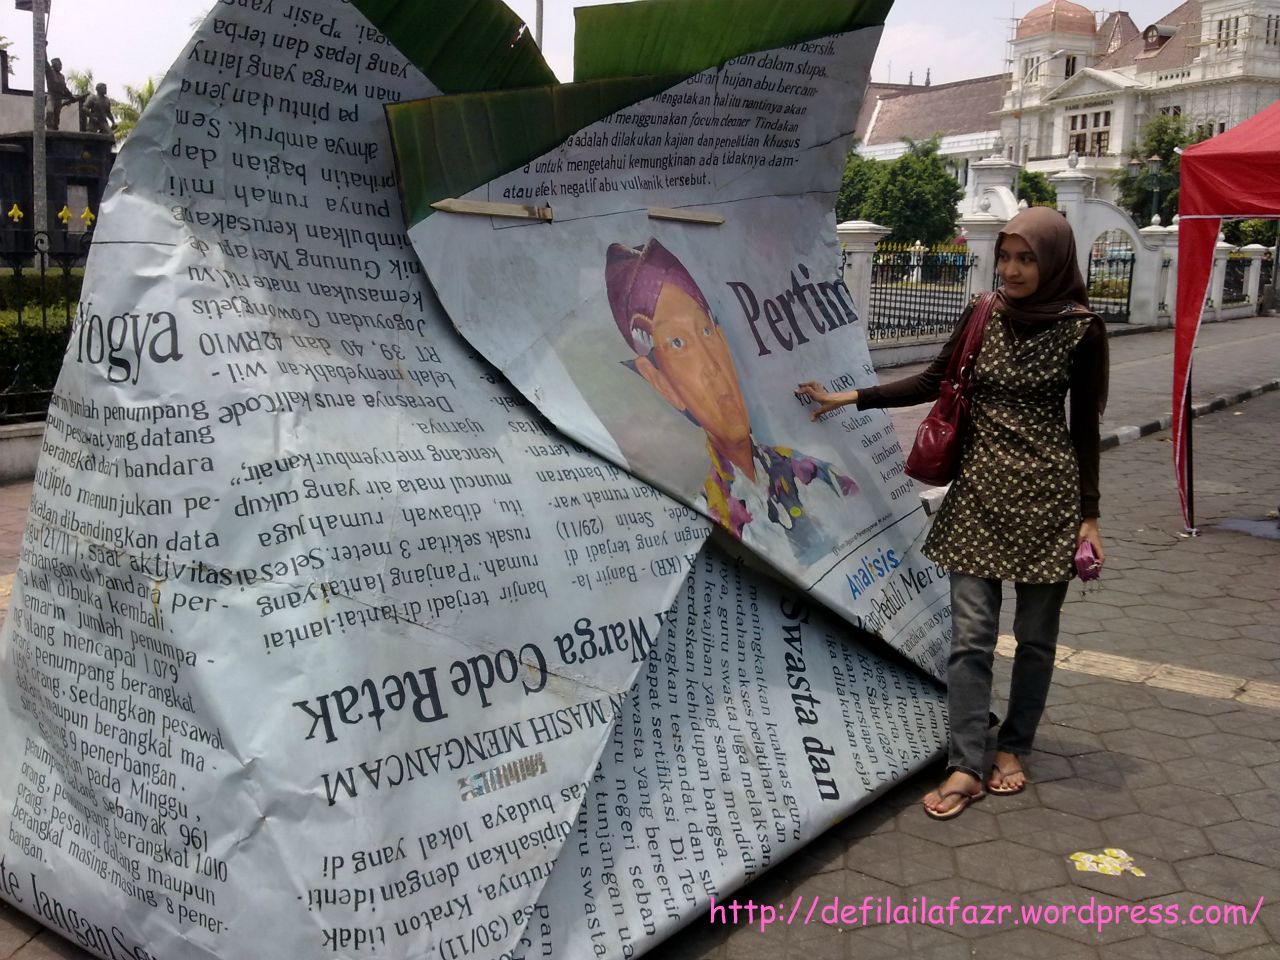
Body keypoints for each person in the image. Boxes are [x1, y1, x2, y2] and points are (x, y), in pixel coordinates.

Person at [796, 207, 1108, 819]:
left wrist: (1089, 516)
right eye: (1007, 256)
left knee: (1037, 640)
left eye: (1027, 258)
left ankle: (1012, 748)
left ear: (1054, 262)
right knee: (970, 639)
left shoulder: (1082, 329)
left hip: (1049, 501)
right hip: (978, 500)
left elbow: (1086, 428)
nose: (1013, 269)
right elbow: (937, 382)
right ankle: (966, 762)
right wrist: (849, 397)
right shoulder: (984, 313)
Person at [606, 238, 858, 565]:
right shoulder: (706, 513)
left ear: (723, 341)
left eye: (707, 332)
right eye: (678, 343)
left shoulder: (809, 471)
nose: (712, 367)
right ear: (661, 382)